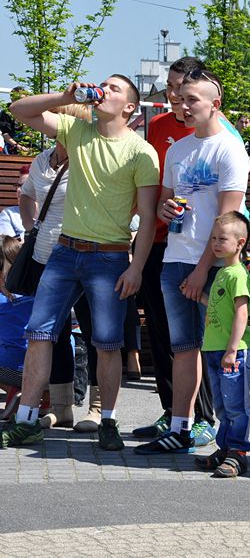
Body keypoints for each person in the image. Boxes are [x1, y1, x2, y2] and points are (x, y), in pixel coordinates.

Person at [2, 75, 160, 450]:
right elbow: (17, 110)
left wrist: (136, 267)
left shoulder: (141, 152)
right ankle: (26, 421)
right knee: (39, 334)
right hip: (63, 251)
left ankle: (107, 421)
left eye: (114, 88)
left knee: (107, 343)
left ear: (130, 107)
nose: (104, 89)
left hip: (109, 256)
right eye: (103, 84)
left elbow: (149, 219)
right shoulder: (77, 130)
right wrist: (64, 95)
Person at [135, 69, 250, 455]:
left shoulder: (229, 148)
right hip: (174, 259)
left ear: (214, 104)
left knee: (218, 351)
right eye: (180, 99)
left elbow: (227, 220)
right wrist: (166, 209)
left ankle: (229, 439)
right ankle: (180, 427)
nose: (182, 106)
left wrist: (202, 270)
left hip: (212, 266)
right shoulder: (178, 150)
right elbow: (166, 202)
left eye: (191, 100)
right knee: (182, 348)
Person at [132, 56, 218, 447]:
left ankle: (202, 418)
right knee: (162, 334)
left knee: (192, 339)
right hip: (157, 241)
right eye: (169, 87)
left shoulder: (215, 131)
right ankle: (172, 412)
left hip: (196, 249)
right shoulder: (159, 126)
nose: (173, 96)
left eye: (180, 88)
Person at [18, 104, 94, 431]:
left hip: (82, 256)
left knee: (93, 332)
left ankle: (97, 409)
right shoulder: (42, 160)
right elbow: (26, 195)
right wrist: (30, 227)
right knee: (54, 333)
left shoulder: (89, 160)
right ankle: (62, 408)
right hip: (44, 258)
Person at [195, 212, 250, 478]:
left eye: (222, 239)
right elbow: (220, 306)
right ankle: (225, 447)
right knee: (221, 404)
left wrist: (232, 349)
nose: (216, 244)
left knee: (236, 405)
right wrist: (200, 297)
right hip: (214, 349)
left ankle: (238, 452)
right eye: (214, 239)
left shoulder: (238, 274)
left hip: (233, 352)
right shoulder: (222, 272)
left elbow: (241, 313)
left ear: (240, 243)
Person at [0, 237, 34, 390]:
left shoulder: (3, 299)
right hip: (55, 371)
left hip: (17, 371)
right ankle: (44, 396)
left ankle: (13, 391)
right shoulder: (38, 289)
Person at [0, 87, 30, 155]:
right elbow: (5, 133)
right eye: (17, 99)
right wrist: (17, 146)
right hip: (12, 145)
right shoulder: (6, 112)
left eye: (23, 99)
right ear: (12, 99)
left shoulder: (30, 111)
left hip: (29, 145)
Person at [0, 165, 26, 239]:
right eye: (18, 185)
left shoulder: (53, 215)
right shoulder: (9, 214)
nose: (18, 190)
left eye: (25, 185)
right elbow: (8, 244)